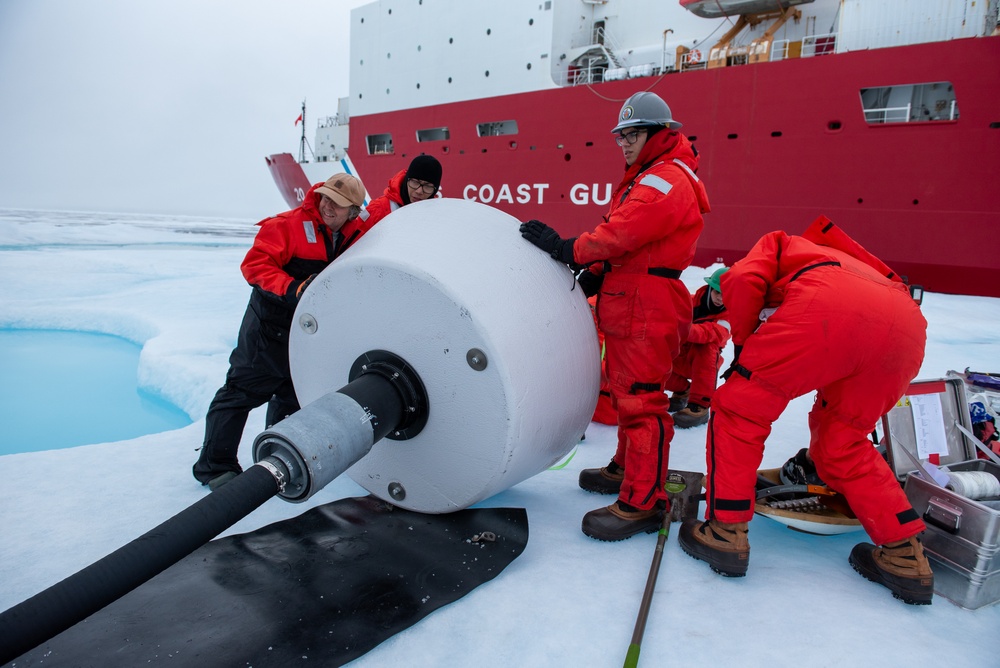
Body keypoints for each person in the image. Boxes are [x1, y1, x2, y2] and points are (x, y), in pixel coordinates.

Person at [678, 215, 934, 605]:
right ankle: (905, 556)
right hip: (907, 328)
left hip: (827, 308)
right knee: (842, 438)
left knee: (738, 410)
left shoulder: (778, 244)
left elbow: (742, 281)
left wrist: (745, 349)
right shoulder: (851, 263)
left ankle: (725, 532)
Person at [520, 91, 710, 541]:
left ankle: (642, 501)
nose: (623, 143)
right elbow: (634, 246)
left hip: (647, 302)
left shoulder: (665, 180)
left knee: (642, 401)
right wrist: (596, 277)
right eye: (620, 136)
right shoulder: (650, 175)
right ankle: (627, 468)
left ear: (658, 135)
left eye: (632, 134)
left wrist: (568, 250)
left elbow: (623, 233)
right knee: (628, 393)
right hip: (633, 295)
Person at [192, 173, 368, 489]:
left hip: (307, 336)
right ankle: (215, 467)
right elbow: (255, 266)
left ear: (353, 211)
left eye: (338, 204)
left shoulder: (359, 235)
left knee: (293, 396)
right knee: (239, 394)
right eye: (326, 197)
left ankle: (277, 462)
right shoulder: (285, 226)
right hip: (265, 330)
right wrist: (291, 288)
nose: (328, 206)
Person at [667, 266, 731, 428]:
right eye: (717, 292)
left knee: (708, 347)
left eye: (726, 295)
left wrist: (683, 329)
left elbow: (714, 333)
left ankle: (699, 406)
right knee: (651, 357)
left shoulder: (731, 317)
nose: (721, 299)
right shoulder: (688, 301)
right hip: (675, 356)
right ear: (710, 288)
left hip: (701, 364)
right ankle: (683, 391)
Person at [360, 154, 442, 226]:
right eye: (415, 182)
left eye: (428, 186)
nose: (419, 191)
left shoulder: (438, 215)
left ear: (434, 190)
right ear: (406, 180)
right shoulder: (378, 209)